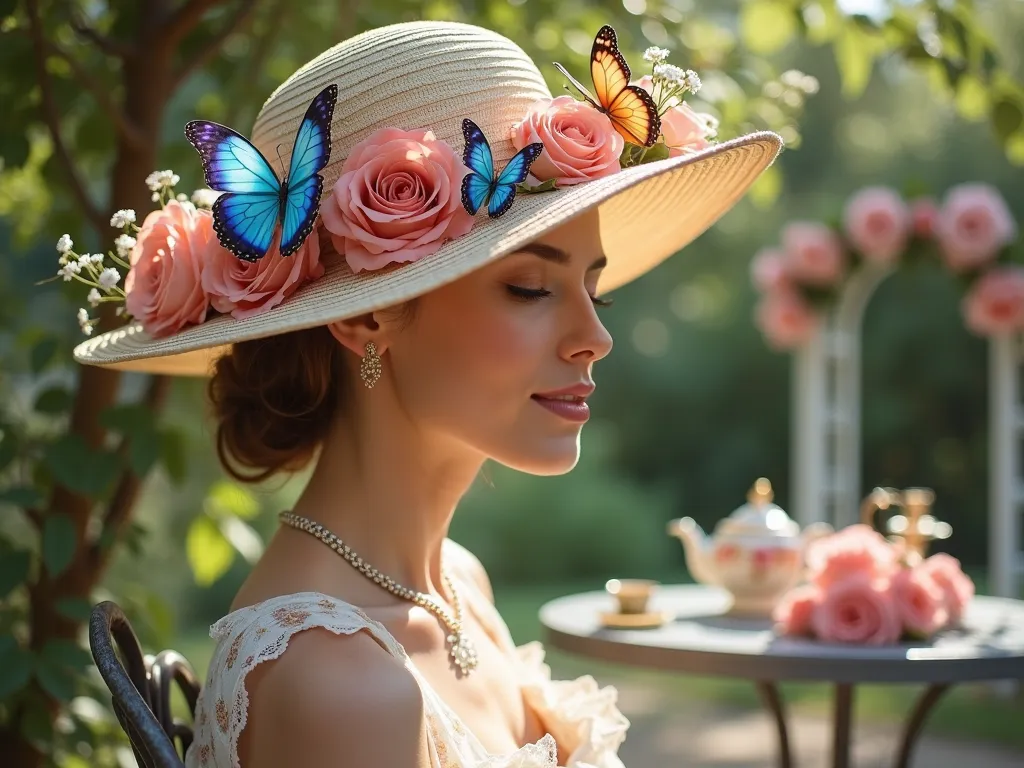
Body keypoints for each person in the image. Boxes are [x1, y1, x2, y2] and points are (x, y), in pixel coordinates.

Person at [73, 19, 781, 768]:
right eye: (530, 286)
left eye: (592, 289)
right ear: (367, 314)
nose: (594, 338)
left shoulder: (455, 583)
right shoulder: (339, 685)